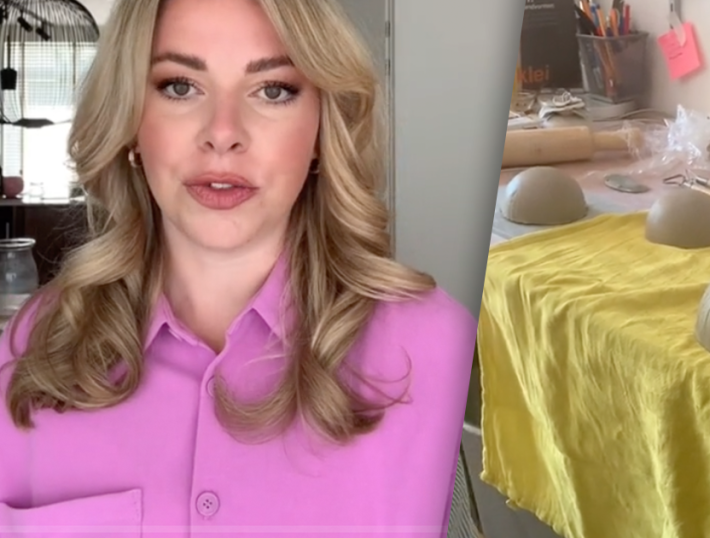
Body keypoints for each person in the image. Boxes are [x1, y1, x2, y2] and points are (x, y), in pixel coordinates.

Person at [0, 0, 478, 535]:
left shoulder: (437, 347)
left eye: (272, 90)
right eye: (180, 86)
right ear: (130, 121)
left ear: (322, 127)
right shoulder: (33, 352)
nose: (223, 132)